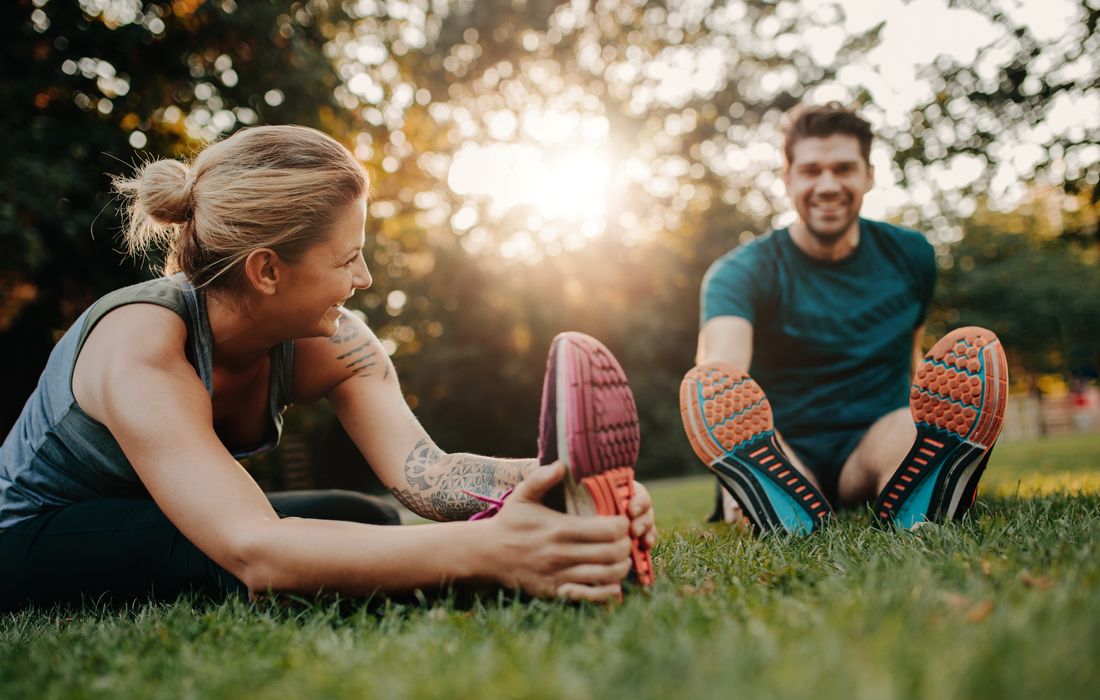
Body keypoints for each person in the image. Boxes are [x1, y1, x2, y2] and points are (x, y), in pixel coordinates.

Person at [0, 125, 655, 611]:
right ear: (266, 270)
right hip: (33, 534)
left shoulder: (333, 341)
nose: (364, 278)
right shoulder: (142, 346)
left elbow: (428, 477)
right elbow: (254, 547)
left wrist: (566, 482)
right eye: (346, 259)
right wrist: (492, 550)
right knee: (239, 560)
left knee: (363, 520)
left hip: (164, 519)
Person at [679, 103, 1008, 533]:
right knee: (767, 452)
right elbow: (721, 376)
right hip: (784, 445)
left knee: (908, 432)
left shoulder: (911, 255)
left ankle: (927, 488)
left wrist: (933, 414)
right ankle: (757, 488)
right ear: (787, 179)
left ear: (869, 175)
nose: (828, 185)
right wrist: (726, 451)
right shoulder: (740, 272)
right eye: (811, 171)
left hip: (875, 440)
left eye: (843, 169)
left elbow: (911, 354)